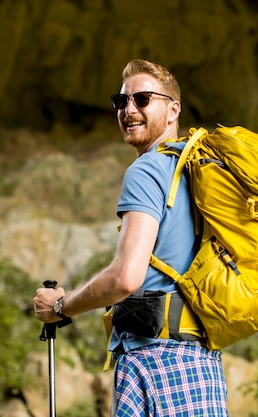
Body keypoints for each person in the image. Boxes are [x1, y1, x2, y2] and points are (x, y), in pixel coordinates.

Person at [33, 59, 228, 416]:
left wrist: (60, 307)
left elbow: (126, 277)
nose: (129, 109)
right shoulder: (193, 173)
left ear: (173, 110)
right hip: (201, 363)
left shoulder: (148, 170)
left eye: (142, 99)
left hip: (156, 363)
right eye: (121, 101)